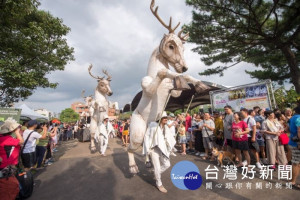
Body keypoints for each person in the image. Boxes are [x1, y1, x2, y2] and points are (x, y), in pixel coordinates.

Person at [143, 112, 176, 193]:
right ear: (160, 118)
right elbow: (147, 136)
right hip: (153, 149)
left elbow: (169, 137)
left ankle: (156, 174)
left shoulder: (166, 127)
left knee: (167, 164)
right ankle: (159, 183)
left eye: (166, 118)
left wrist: (170, 146)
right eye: (164, 118)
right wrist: (147, 149)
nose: (166, 119)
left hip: (162, 149)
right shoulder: (153, 125)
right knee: (157, 167)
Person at [0, 118, 24, 200]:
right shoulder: (8, 140)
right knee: (9, 188)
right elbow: (21, 141)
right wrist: (17, 132)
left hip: (4, 166)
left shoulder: (3, 138)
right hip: (7, 167)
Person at [288, 106, 300, 190]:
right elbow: (299, 132)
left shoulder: (292, 118)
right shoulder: (299, 118)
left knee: (296, 162)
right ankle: (293, 181)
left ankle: (292, 181)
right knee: (296, 163)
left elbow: (288, 129)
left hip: (292, 142)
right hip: (297, 144)